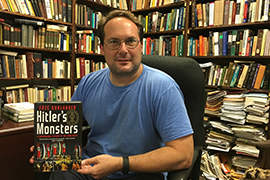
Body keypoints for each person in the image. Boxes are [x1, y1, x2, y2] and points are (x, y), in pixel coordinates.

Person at [30, 9, 194, 180]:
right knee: (59, 173)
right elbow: (67, 129)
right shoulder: (88, 82)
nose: (123, 50)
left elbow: (183, 155)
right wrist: (50, 148)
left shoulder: (163, 88)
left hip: (138, 172)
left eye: (130, 41)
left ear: (141, 45)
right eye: (114, 42)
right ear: (102, 48)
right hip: (90, 166)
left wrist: (119, 163)